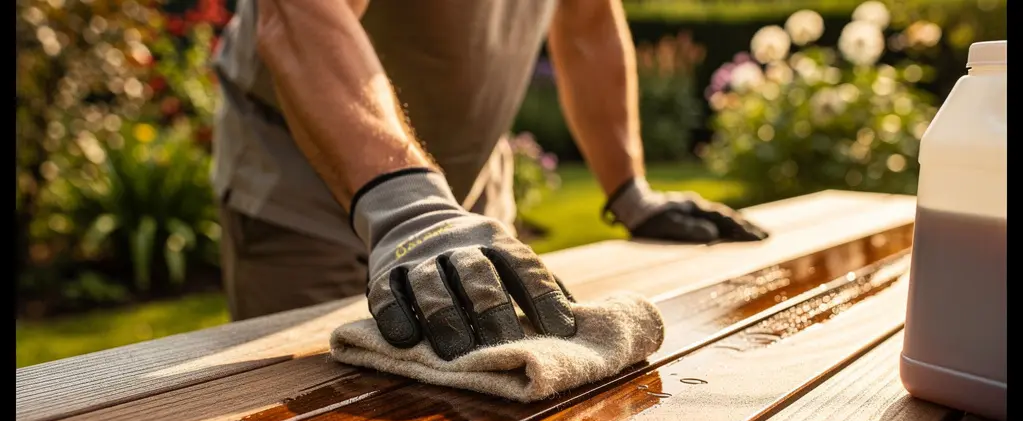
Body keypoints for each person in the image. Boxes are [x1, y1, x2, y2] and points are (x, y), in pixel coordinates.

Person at [211, 0, 768, 361]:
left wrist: (629, 190)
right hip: (301, 186)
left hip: (466, 189)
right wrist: (410, 211)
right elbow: (300, 14)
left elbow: (587, 23)